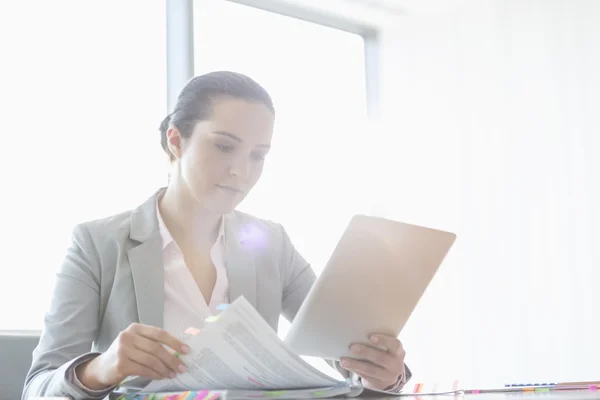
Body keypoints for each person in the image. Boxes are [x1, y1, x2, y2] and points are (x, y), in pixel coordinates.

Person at [23, 71, 411, 399]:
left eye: (257, 155)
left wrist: (384, 373)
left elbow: (347, 356)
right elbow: (37, 387)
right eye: (224, 146)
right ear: (176, 141)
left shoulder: (272, 244)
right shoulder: (97, 243)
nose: (241, 172)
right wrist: (100, 368)